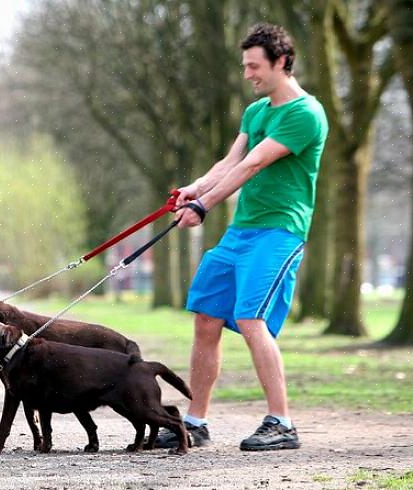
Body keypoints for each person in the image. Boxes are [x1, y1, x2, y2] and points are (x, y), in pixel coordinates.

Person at [155, 23, 328, 451]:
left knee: (252, 318)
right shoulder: (256, 112)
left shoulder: (304, 114)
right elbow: (230, 160)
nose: (248, 74)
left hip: (280, 232)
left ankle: (282, 423)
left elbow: (253, 164)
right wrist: (196, 187)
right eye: (245, 66)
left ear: (282, 62)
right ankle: (195, 422)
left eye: (255, 66)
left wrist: (204, 205)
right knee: (206, 318)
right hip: (241, 231)